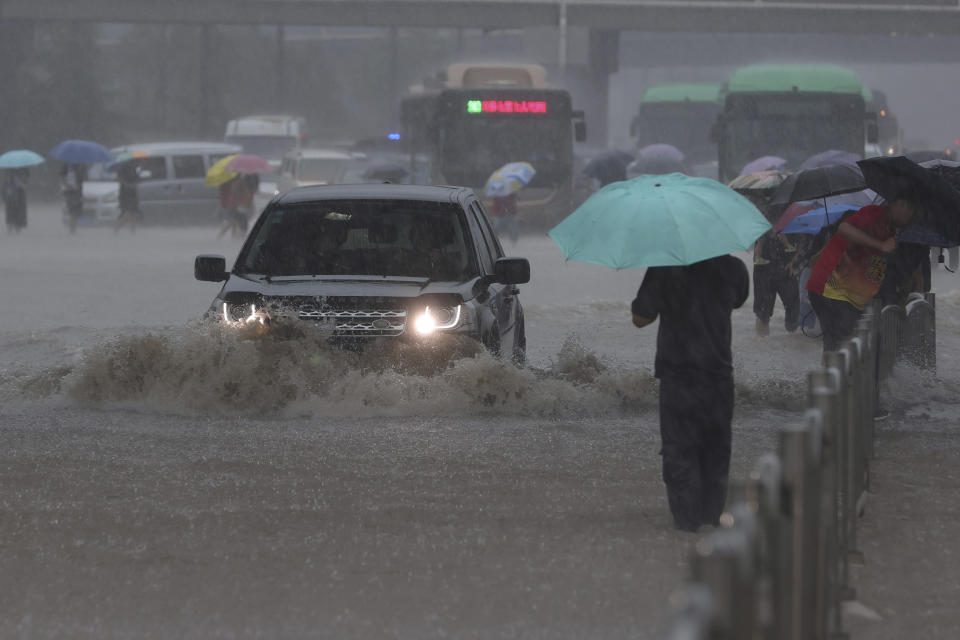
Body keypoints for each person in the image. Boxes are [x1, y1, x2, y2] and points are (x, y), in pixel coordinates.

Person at [631, 255, 750, 532]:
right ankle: (711, 521)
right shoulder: (734, 268)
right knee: (716, 451)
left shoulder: (665, 266)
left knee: (680, 450)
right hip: (719, 375)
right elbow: (738, 300)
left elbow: (640, 318)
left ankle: (686, 526)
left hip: (678, 376)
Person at [806, 197, 919, 351]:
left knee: (841, 344)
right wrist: (881, 245)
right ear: (897, 204)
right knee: (841, 344)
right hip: (831, 289)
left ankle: (831, 370)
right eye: (909, 209)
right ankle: (830, 371)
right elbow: (844, 228)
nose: (910, 216)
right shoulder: (873, 214)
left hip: (849, 296)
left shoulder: (891, 231)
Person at [114, 161, 142, 234]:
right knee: (128, 213)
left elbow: (136, 182)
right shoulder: (122, 169)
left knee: (134, 214)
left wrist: (137, 193)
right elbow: (118, 179)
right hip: (125, 195)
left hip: (133, 194)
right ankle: (117, 228)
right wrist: (126, 184)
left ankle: (133, 231)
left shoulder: (134, 170)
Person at [60, 163, 86, 234]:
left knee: (77, 212)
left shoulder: (81, 166)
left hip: (78, 192)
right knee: (73, 212)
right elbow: (62, 178)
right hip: (70, 192)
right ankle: (72, 230)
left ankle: (73, 229)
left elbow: (82, 179)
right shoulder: (66, 166)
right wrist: (70, 186)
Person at [2, 167, 28, 234]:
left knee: (10, 215)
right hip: (15, 200)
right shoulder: (18, 179)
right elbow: (22, 190)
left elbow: (3, 189)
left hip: (10, 200)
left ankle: (11, 230)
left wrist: (4, 197)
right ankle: (16, 230)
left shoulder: (7, 179)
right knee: (15, 215)